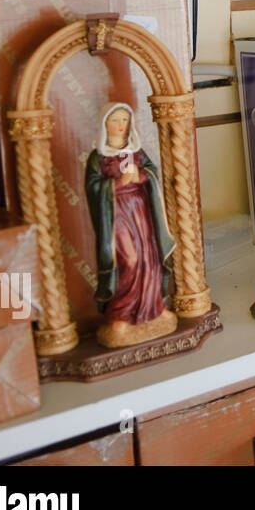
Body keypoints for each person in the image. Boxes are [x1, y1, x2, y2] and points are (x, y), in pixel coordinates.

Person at [85, 103, 175, 345]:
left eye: (124, 120)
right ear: (105, 124)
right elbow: (92, 188)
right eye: (115, 120)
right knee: (129, 260)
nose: (120, 126)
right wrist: (114, 185)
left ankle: (153, 307)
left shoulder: (135, 151)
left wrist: (140, 176)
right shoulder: (99, 157)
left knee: (149, 256)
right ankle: (121, 314)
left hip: (141, 209)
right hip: (117, 213)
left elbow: (152, 172)